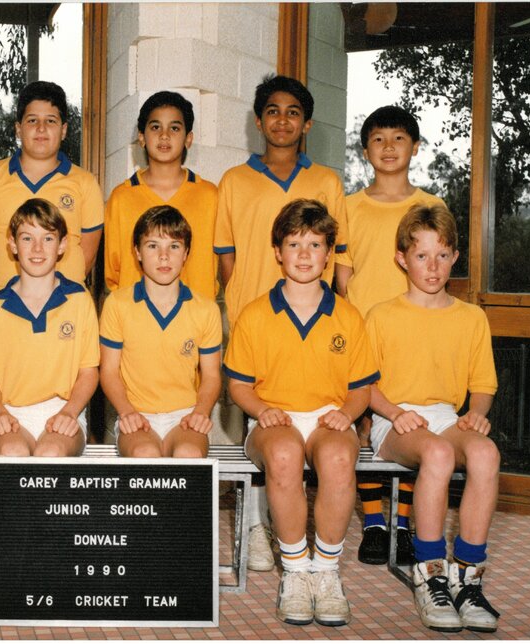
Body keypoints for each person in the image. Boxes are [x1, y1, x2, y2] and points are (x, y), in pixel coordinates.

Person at [213, 74, 349, 572]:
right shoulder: (234, 181)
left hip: (311, 318)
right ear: (258, 121)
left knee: (297, 426)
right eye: (273, 110)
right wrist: (246, 301)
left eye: (293, 112)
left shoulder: (328, 182)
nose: (282, 119)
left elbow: (339, 258)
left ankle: (291, 529)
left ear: (307, 123)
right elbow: (226, 258)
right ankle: (254, 524)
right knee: (259, 418)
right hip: (255, 319)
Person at [224, 199, 378, 627]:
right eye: (295, 244)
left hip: (329, 413)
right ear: (278, 251)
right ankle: (294, 572)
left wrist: (347, 413)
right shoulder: (255, 315)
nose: (305, 254)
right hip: (274, 417)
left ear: (330, 253)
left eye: (315, 244)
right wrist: (263, 409)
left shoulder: (348, 317)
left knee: (338, 457)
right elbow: (238, 384)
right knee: (285, 455)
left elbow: (362, 387)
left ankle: (325, 572)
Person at [366, 204, 499, 633]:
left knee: (485, 453)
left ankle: (467, 575)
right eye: (422, 255)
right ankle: (429, 571)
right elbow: (363, 384)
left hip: (445, 416)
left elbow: (482, 385)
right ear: (402, 258)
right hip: (394, 418)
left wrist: (476, 416)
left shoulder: (471, 318)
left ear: (455, 258)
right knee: (439, 454)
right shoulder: (382, 315)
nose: (433, 266)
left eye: (442, 255)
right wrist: (392, 412)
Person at [336, 105, 449, 566]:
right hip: (366, 330)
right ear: (365, 150)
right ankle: (374, 522)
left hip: (414, 328)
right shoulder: (349, 206)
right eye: (378, 139)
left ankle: (404, 521)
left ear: (415, 147)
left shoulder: (431, 205)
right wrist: (354, 320)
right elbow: (342, 275)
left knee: (413, 418)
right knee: (365, 423)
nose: (388, 147)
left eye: (398, 138)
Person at [0, 198, 99, 457]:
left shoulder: (79, 300)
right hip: (10, 413)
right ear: (12, 244)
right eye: (27, 238)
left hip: (63, 411)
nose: (38, 249)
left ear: (63, 245)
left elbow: (89, 373)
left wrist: (70, 412)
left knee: (50, 453)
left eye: (48, 239)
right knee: (11, 451)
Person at [100, 205, 222, 457]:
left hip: (185, 415)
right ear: (137, 252)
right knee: (144, 453)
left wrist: (200, 412)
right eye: (153, 246)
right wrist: (126, 412)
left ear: (186, 252)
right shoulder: (118, 304)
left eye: (174, 246)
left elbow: (211, 375)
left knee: (189, 453)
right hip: (136, 414)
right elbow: (109, 371)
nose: (164, 256)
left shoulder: (205, 309)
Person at [0, 80, 103, 293]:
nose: (41, 128)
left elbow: (87, 257)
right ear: (18, 129)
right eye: (32, 120)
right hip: (5, 303)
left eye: (50, 121)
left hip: (67, 305)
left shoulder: (86, 183)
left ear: (64, 130)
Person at [104, 91, 219, 299]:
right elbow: (113, 273)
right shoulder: (121, 198)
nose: (164, 135)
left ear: (188, 139)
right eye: (155, 127)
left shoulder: (210, 196)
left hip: (196, 323)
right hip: (137, 322)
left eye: (174, 128)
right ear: (141, 137)